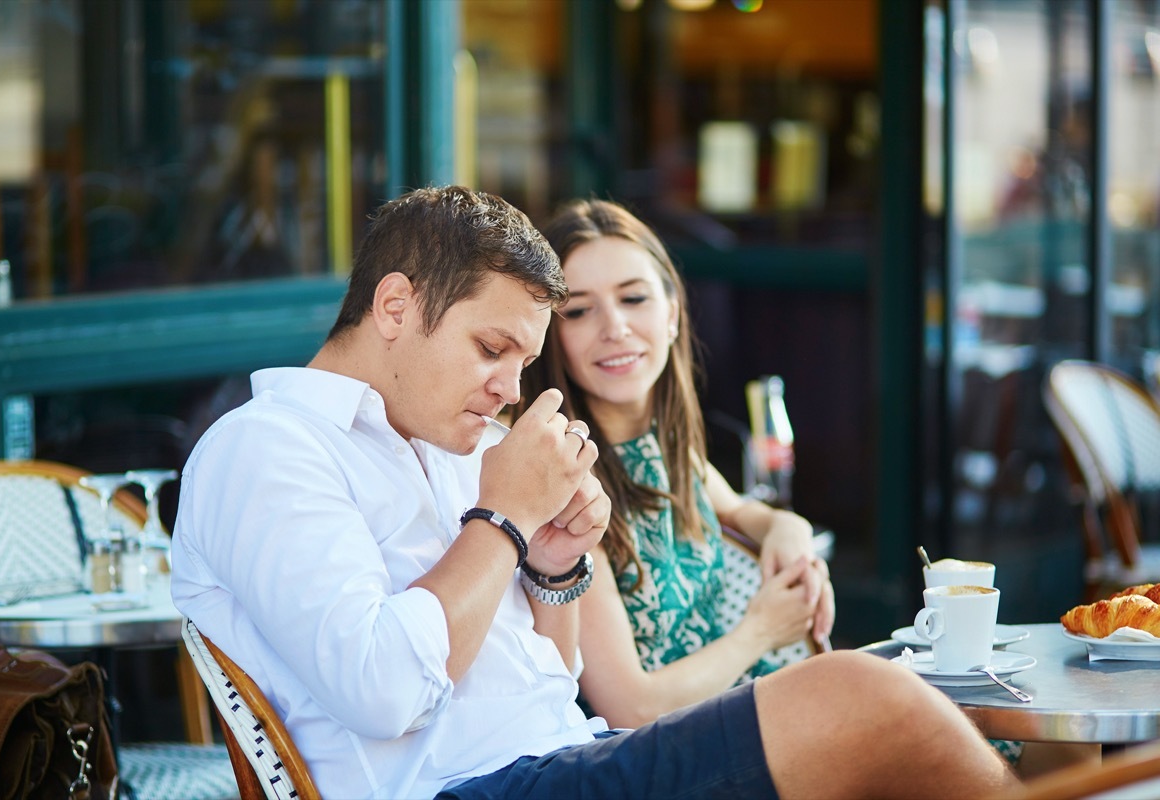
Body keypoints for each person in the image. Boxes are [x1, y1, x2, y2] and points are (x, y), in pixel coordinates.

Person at [171, 185, 1018, 800]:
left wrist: (554, 567)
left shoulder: (441, 439)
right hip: (469, 789)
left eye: (522, 360)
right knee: (864, 701)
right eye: (492, 348)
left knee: (890, 731)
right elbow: (382, 690)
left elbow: (553, 670)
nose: (510, 387)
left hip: (567, 755)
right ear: (396, 306)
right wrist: (500, 521)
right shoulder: (267, 448)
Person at [515, 198, 832, 727]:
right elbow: (630, 707)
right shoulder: (566, 486)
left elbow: (740, 510)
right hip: (674, 754)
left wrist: (787, 528)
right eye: (579, 310)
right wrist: (762, 630)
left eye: (633, 298)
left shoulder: (667, 447)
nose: (614, 327)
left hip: (765, 710)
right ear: (552, 336)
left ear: (672, 315)